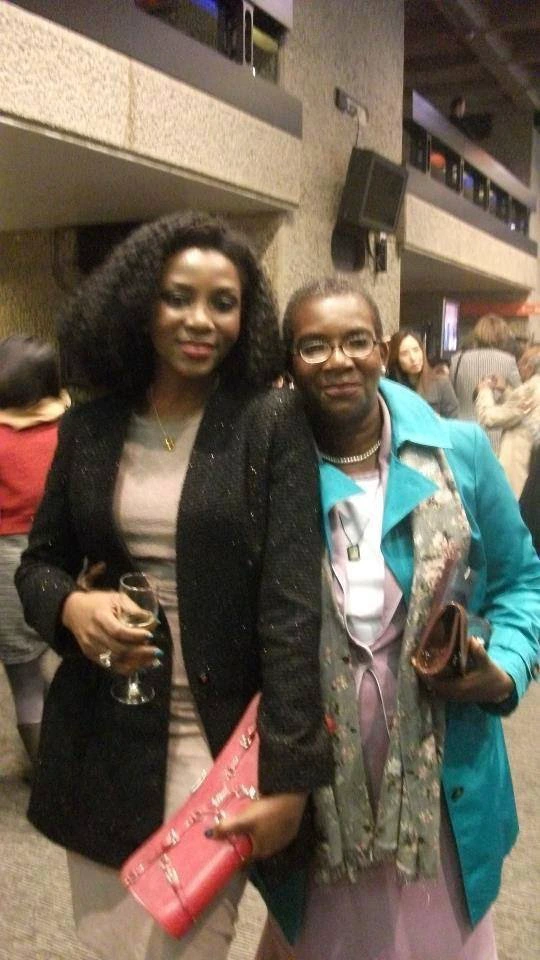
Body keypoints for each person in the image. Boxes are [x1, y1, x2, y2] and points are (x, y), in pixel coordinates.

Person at [15, 213, 332, 960]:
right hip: (106, 734)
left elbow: (292, 610)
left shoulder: (270, 422)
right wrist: (72, 606)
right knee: (115, 945)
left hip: (221, 746)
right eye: (177, 297)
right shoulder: (91, 426)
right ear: (138, 304)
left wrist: (289, 781)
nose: (200, 320)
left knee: (187, 943)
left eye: (223, 303)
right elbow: (38, 564)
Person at [257, 278, 540, 960]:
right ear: (289, 361)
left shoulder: (460, 452)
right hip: (319, 776)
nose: (338, 360)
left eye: (356, 340)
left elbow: (522, 580)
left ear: (383, 349)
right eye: (314, 346)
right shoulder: (267, 468)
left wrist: (504, 669)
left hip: (444, 768)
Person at [0, 335, 69, 774]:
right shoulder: (70, 429)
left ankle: (46, 774)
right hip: (60, 556)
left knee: (25, 681)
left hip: (5, 564)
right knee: (65, 663)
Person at [475, 345, 540, 498]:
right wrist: (506, 391)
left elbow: (487, 418)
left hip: (519, 473)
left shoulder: (531, 388)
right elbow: (520, 414)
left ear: (530, 367)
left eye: (521, 362)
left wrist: (484, 390)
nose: (518, 367)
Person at [450, 314, 520, 452]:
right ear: (503, 336)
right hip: (495, 433)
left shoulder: (457, 359)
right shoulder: (508, 360)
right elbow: (519, 395)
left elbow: (452, 392)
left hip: (463, 431)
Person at [387, 329, 459, 417]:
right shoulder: (389, 387)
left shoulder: (441, 383)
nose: (413, 358)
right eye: (404, 353)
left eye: (416, 350)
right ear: (396, 358)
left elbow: (453, 418)